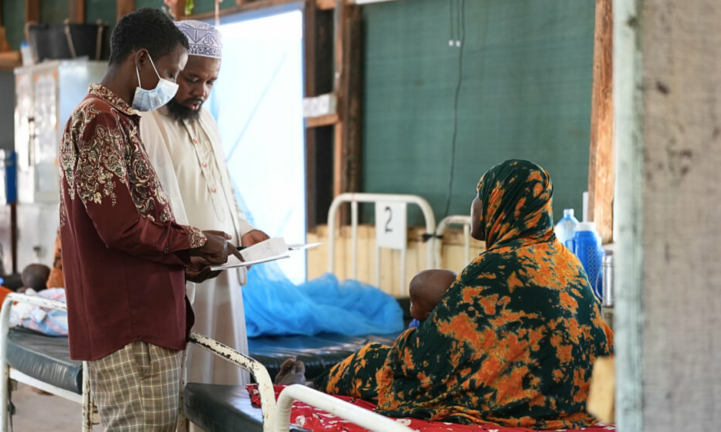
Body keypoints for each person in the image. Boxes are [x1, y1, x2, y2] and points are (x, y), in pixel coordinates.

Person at [298, 160, 613, 430]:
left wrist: (403, 346)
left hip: (521, 400)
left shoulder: (495, 267)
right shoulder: (567, 260)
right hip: (578, 397)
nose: (474, 204)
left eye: (480, 194)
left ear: (501, 204)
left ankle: (303, 388)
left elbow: (430, 355)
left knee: (372, 361)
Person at [58, 9, 241, 431]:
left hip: (142, 313)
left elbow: (133, 221)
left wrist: (183, 260)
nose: (173, 85)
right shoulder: (99, 120)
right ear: (141, 59)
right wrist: (195, 241)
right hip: (131, 323)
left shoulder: (118, 120)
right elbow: (121, 228)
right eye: (173, 73)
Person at [139, 20, 269, 386]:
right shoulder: (148, 121)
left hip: (223, 269)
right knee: (189, 376)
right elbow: (154, 205)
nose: (202, 91)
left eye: (211, 82)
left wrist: (244, 230)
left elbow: (223, 188)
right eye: (192, 79)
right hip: (186, 271)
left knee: (226, 377)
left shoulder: (206, 119)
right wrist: (190, 247)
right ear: (170, 70)